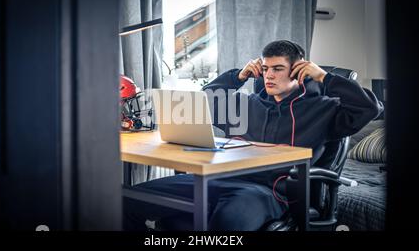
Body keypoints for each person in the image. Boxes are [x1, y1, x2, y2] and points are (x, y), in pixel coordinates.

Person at [125, 40, 383, 231]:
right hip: (216, 181)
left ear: (298, 72)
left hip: (270, 192)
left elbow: (370, 107)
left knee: (227, 221)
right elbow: (204, 101)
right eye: (266, 68)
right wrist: (237, 77)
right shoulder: (245, 104)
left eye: (278, 69)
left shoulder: (323, 109)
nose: (269, 75)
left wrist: (325, 77)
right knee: (125, 201)